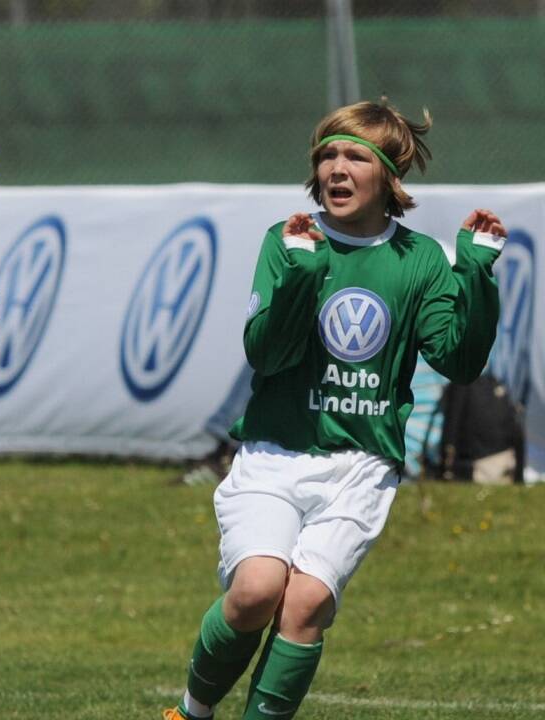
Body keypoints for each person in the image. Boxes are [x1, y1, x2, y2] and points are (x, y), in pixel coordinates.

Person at [162, 101, 505, 720]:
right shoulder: (289, 241)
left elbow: (459, 362)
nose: (336, 169)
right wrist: (300, 277)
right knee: (256, 592)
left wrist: (477, 277)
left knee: (307, 604)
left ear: (389, 176)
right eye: (326, 156)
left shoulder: (421, 259)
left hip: (361, 466)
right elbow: (267, 355)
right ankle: (190, 712)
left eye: (354, 156)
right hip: (275, 453)